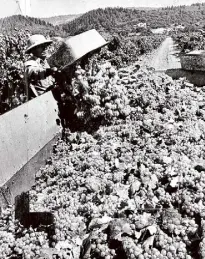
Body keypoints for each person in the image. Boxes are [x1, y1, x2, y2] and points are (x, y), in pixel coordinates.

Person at [24, 34, 59, 100]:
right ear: (33, 50)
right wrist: (49, 71)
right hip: (39, 101)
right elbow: (34, 73)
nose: (45, 48)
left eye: (45, 45)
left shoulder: (47, 61)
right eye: (40, 46)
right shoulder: (30, 64)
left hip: (51, 97)